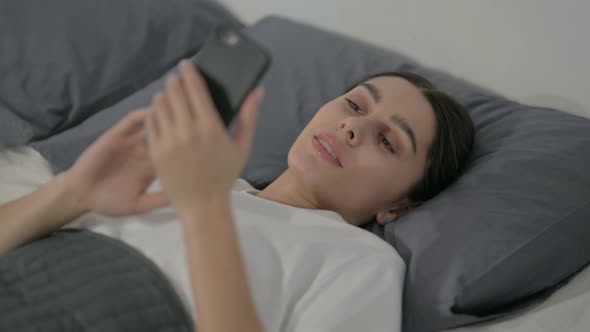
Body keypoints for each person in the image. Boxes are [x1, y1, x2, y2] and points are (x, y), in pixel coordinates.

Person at [0, 60, 474, 332]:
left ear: (398, 206)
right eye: (354, 104)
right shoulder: (188, 182)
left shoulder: (362, 262)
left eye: (388, 141)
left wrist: (204, 207)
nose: (352, 126)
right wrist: (73, 190)